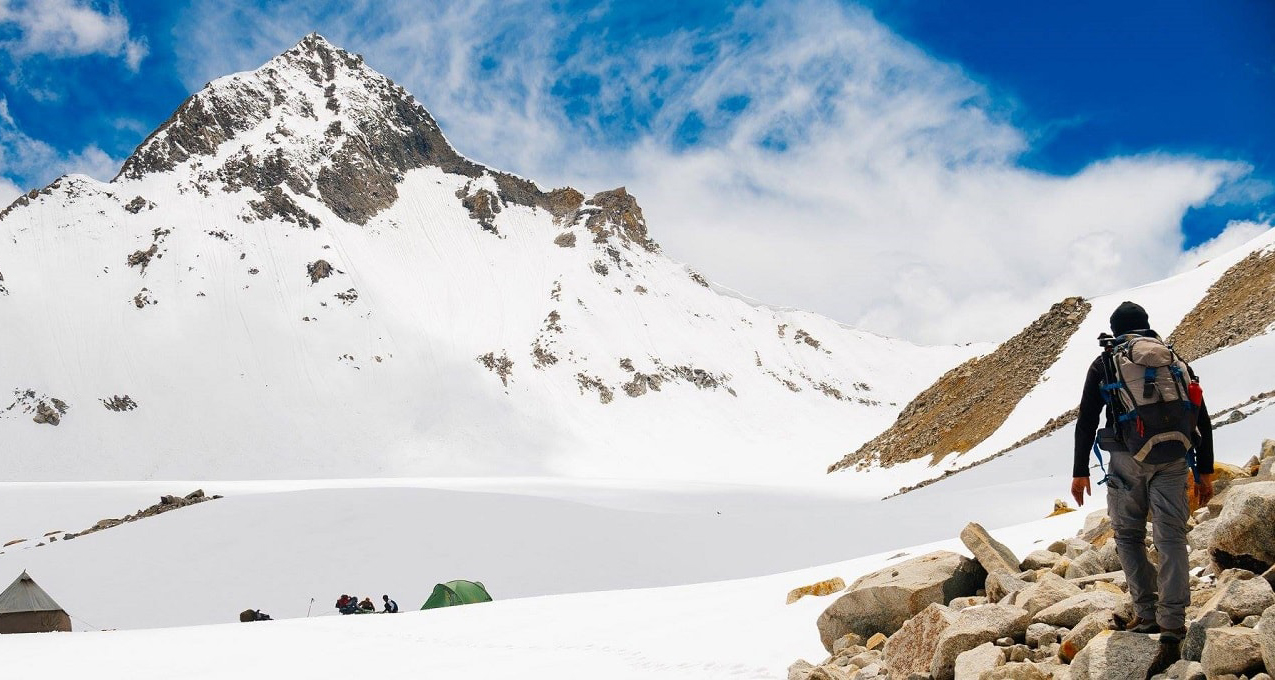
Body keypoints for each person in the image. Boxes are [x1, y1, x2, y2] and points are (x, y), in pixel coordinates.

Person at [1071, 301, 1215, 644]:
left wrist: (1080, 471)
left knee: (1129, 536)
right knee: (1172, 538)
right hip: (1175, 459)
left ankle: (1147, 613)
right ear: (1146, 324)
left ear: (1116, 329)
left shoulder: (1106, 361)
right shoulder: (1173, 359)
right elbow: (1201, 416)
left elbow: (1087, 419)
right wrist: (1205, 471)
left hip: (1127, 460)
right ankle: (1172, 621)